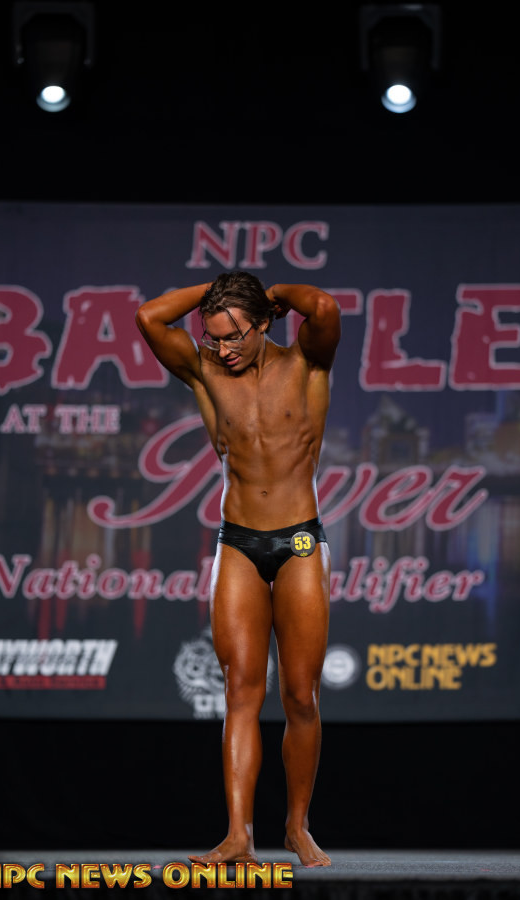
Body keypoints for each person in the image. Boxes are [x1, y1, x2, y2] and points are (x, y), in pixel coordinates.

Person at [135, 271, 341, 867]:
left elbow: (323, 307)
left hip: (300, 541)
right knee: (241, 692)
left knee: (301, 695)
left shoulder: (306, 362)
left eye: (234, 336)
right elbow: (149, 317)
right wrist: (215, 293)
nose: (223, 348)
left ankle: (297, 827)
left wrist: (272, 292)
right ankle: (238, 836)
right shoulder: (204, 370)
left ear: (265, 323)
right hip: (239, 544)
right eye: (214, 336)